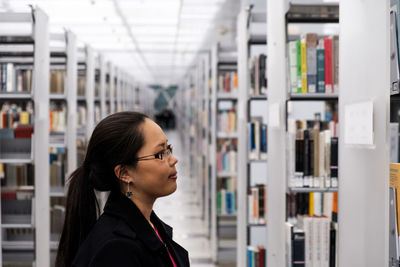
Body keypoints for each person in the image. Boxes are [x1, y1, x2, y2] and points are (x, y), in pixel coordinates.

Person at [55, 111, 190, 267]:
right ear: (124, 173)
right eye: (160, 153)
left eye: (169, 149)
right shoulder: (117, 251)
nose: (174, 159)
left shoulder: (148, 224)